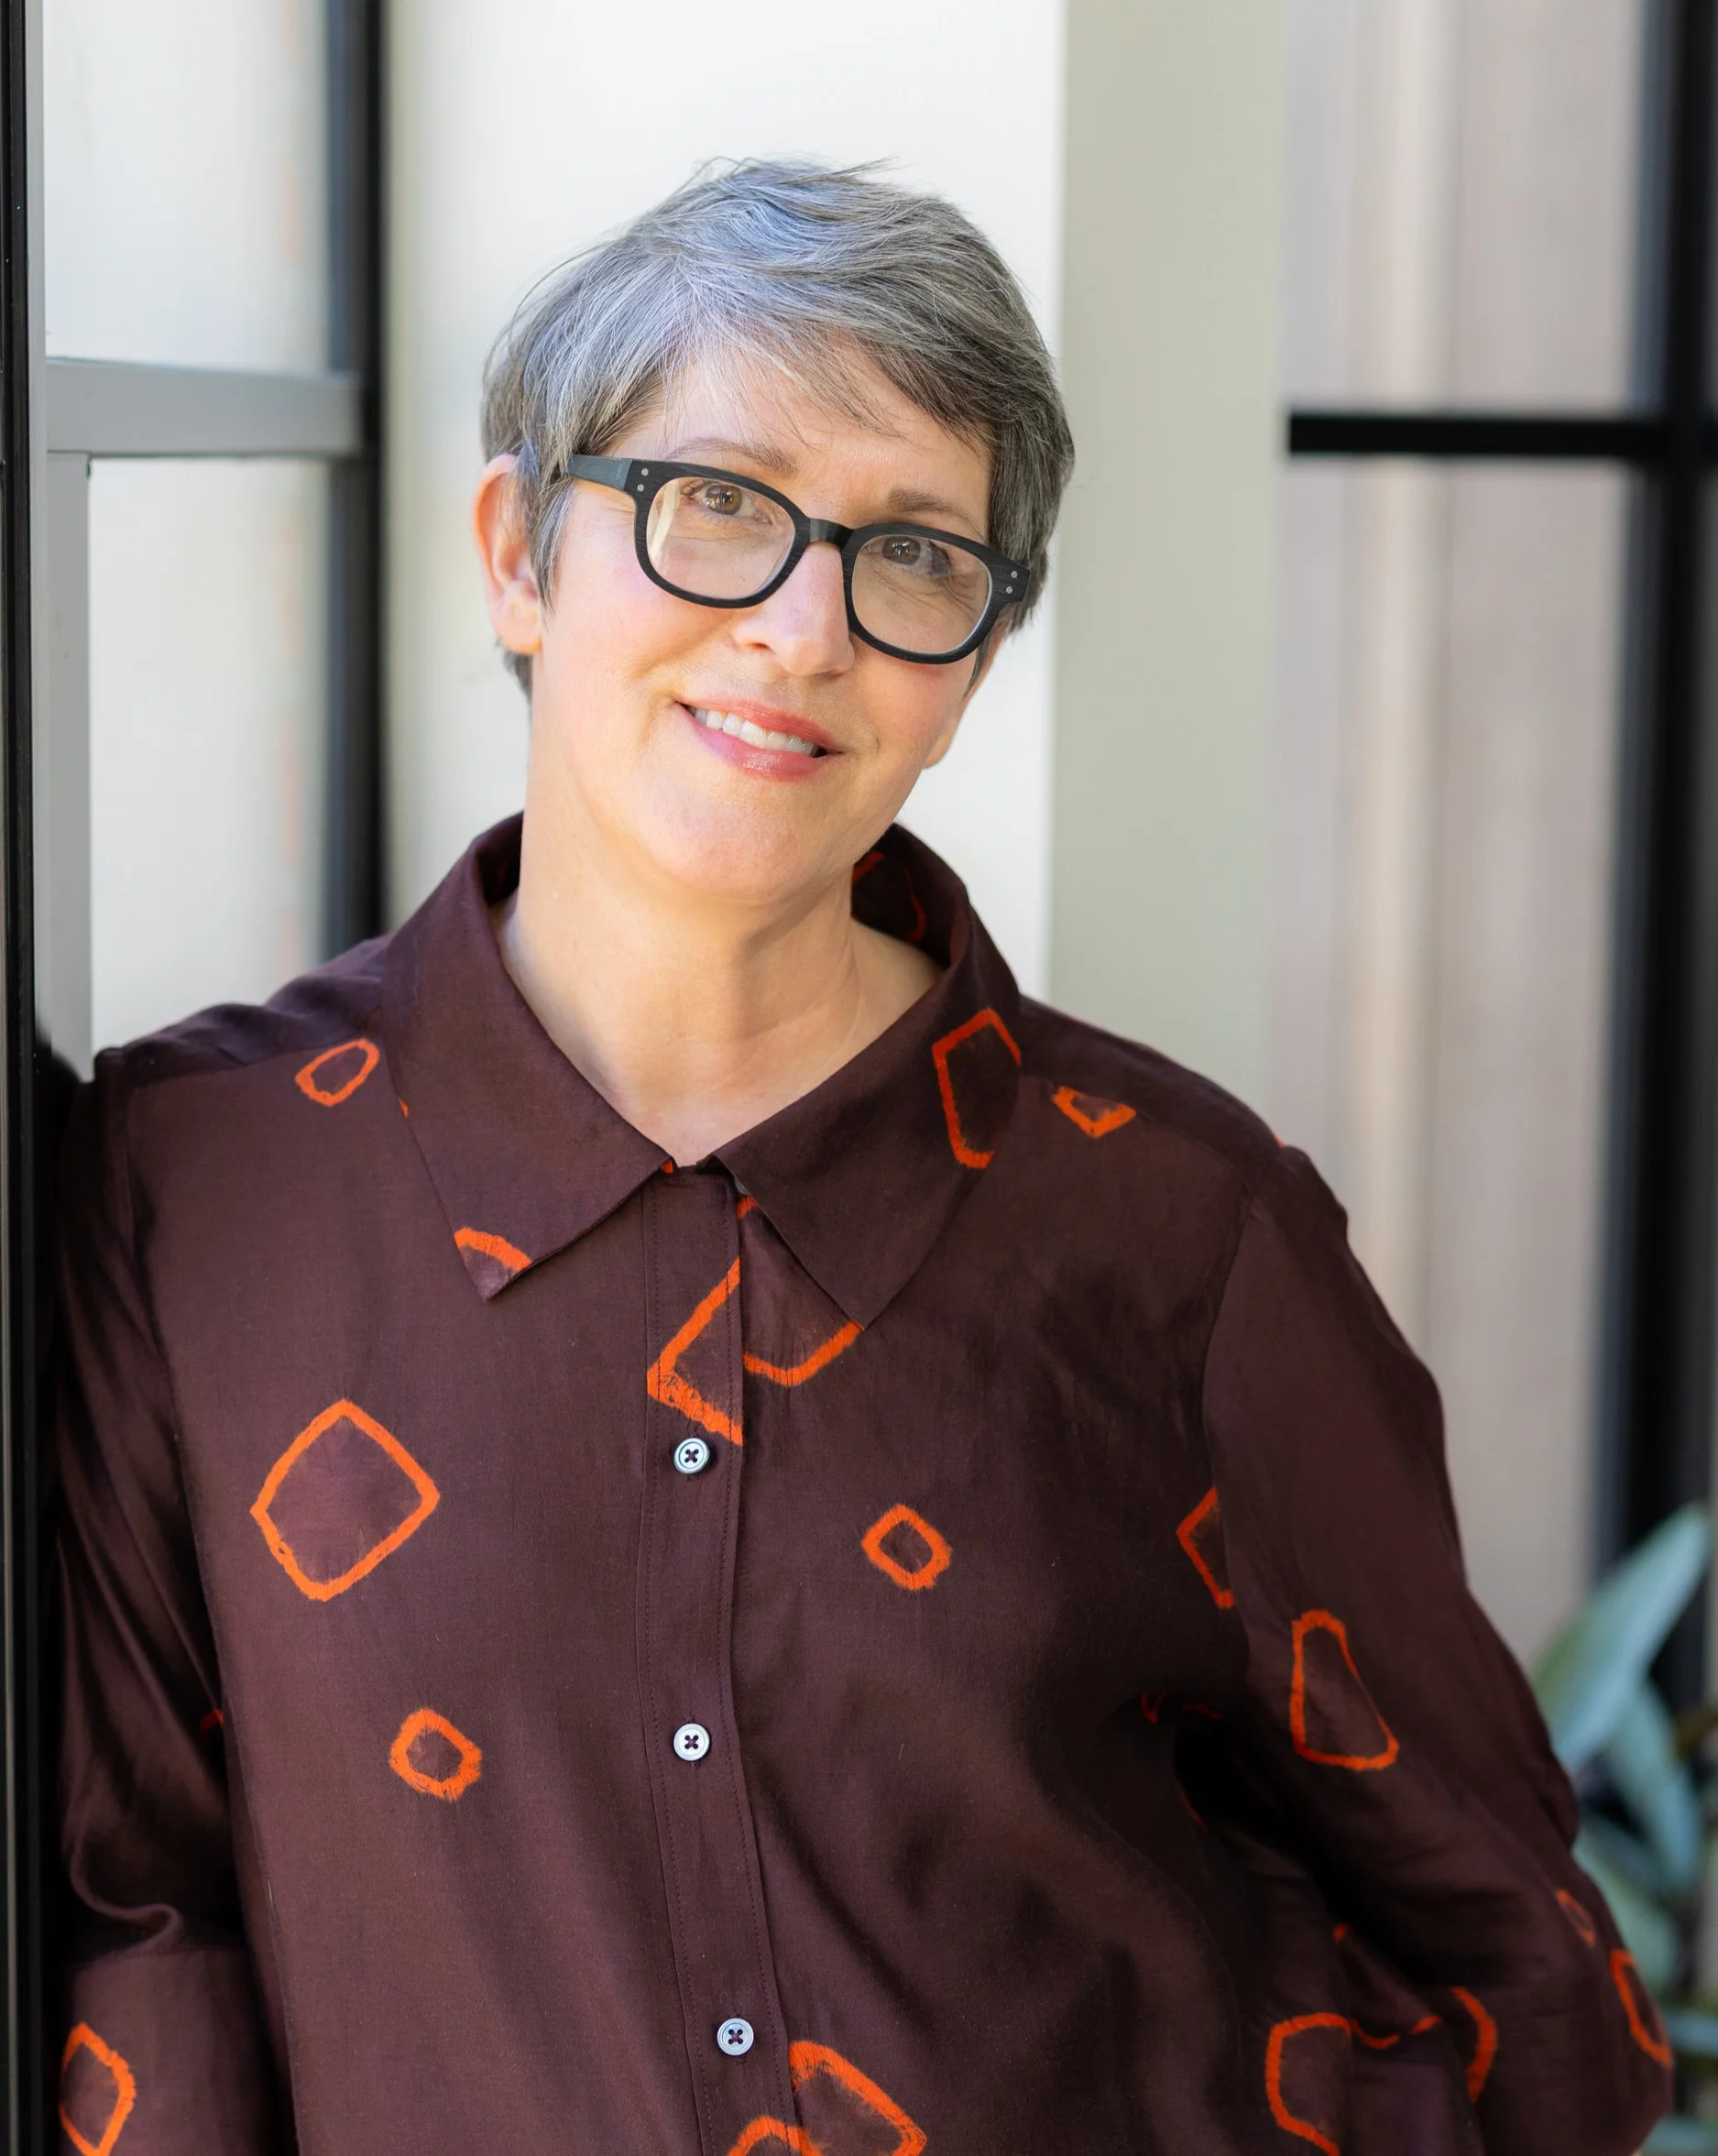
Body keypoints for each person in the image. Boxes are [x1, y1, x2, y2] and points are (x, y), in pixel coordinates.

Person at [51, 160, 1667, 2156]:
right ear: (516, 553)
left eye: (912, 557)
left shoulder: (1179, 1225)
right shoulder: (185, 1189)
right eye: (717, 505)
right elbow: (141, 1923)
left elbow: (1502, 1947)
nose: (803, 629)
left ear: (967, 669)